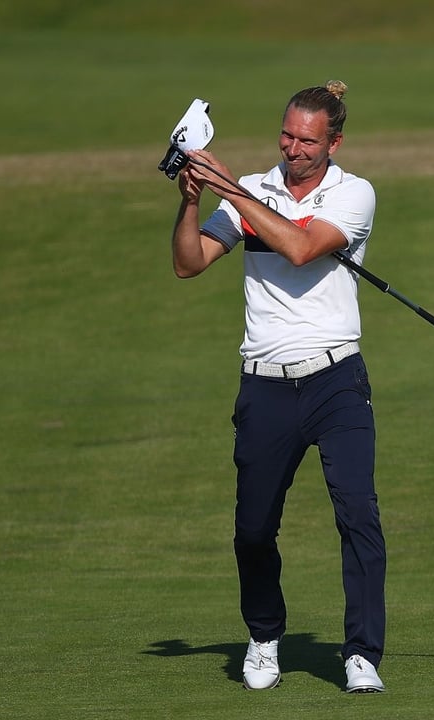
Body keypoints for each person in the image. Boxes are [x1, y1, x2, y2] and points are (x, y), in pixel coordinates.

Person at [170, 80, 386, 694]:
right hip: (264, 387)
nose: (293, 148)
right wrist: (192, 200)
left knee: (357, 515)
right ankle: (264, 637)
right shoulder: (254, 192)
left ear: (334, 142)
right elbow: (189, 262)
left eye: (307, 140)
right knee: (254, 528)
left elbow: (300, 247)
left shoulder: (354, 194)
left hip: (336, 379)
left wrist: (229, 187)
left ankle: (361, 653)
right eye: (287, 135)